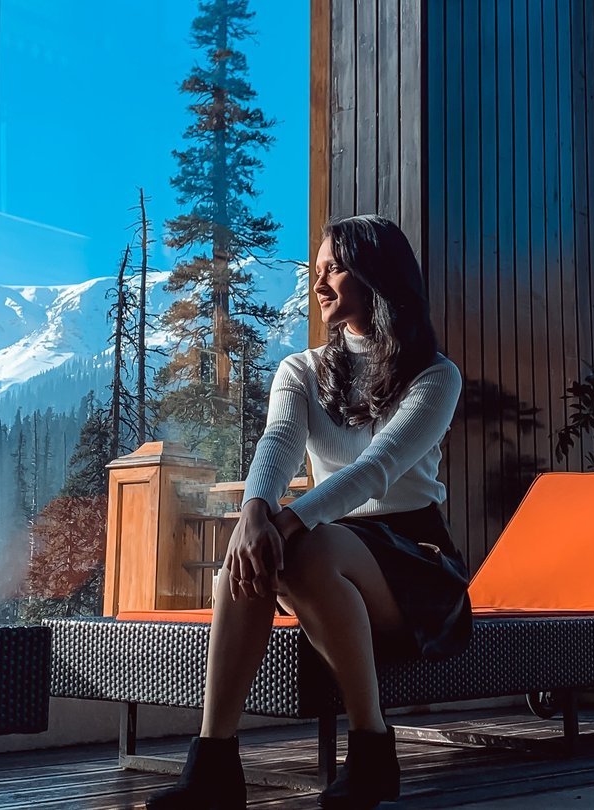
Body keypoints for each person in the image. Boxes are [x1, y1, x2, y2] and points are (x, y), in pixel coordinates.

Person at [148, 215, 472, 810]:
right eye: (317, 270)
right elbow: (278, 442)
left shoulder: (434, 376)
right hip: (327, 542)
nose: (318, 284)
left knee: (304, 546)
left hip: (415, 561)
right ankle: (214, 762)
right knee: (249, 560)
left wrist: (287, 522)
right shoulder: (302, 370)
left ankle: (372, 747)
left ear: (377, 276)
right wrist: (254, 513)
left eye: (335, 270)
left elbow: (376, 469)